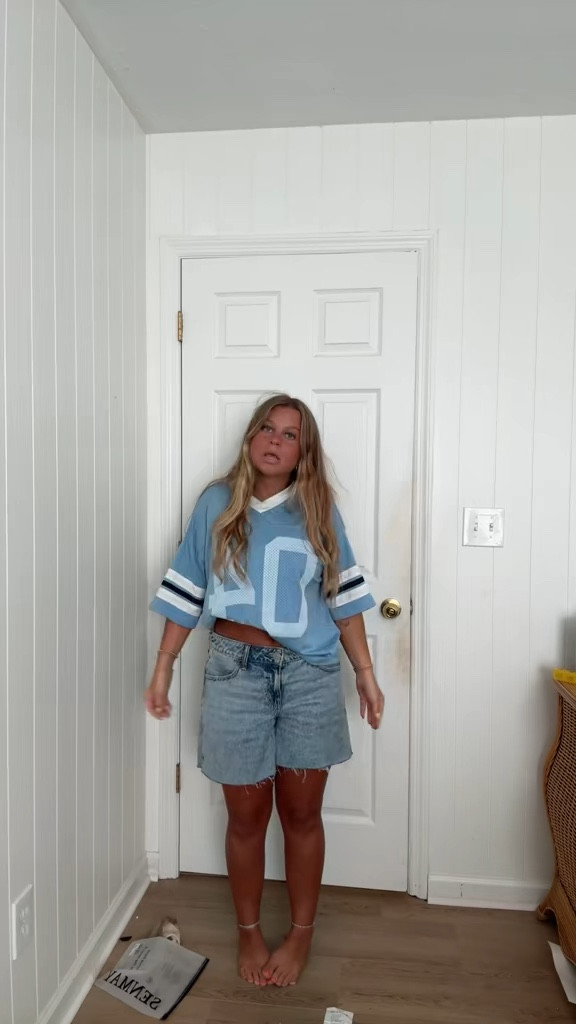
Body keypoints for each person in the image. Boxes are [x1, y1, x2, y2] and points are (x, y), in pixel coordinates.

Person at [145, 394, 384, 988]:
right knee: (246, 817)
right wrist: (164, 665)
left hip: (309, 675)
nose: (276, 440)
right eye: (267, 429)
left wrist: (365, 672)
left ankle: (301, 935)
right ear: (251, 437)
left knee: (302, 814)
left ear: (305, 451)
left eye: (290, 434)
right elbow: (188, 588)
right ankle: (248, 931)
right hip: (234, 672)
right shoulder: (216, 502)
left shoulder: (318, 508)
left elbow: (344, 597)